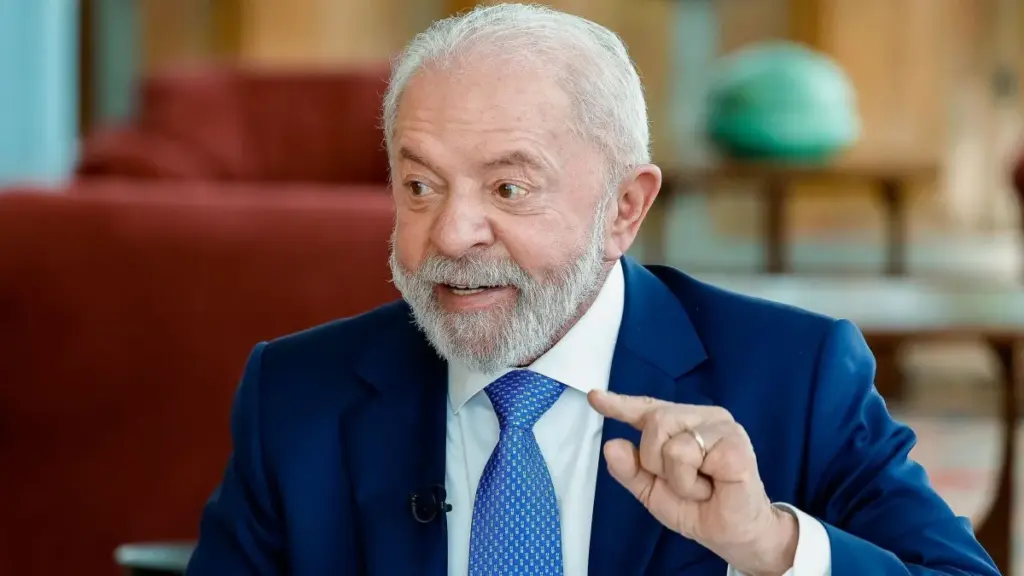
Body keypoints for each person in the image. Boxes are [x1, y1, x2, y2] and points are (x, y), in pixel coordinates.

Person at [186, 4, 999, 576]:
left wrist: (770, 544)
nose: (452, 234)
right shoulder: (297, 396)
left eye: (508, 189)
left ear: (624, 208)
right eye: (420, 186)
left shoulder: (796, 378)